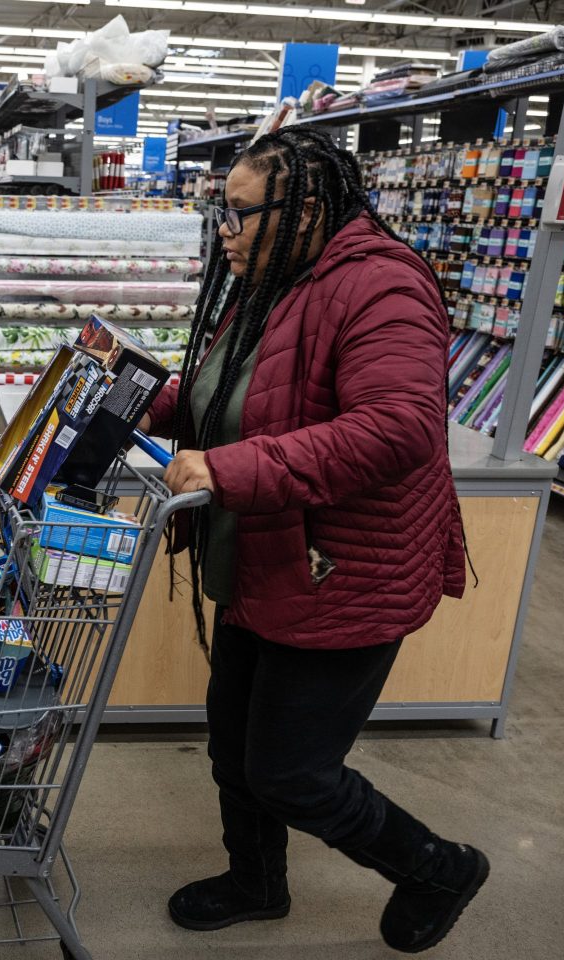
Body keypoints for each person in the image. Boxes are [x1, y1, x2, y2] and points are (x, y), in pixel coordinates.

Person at [143, 126, 484, 954]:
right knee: (234, 747)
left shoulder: (383, 287)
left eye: (240, 213)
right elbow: (244, 387)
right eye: (218, 212)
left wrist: (232, 470)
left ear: (302, 211)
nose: (224, 230)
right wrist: (139, 397)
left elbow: (398, 428)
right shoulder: (278, 281)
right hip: (265, 558)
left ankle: (438, 867)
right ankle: (257, 882)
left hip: (345, 572)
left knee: (293, 772)